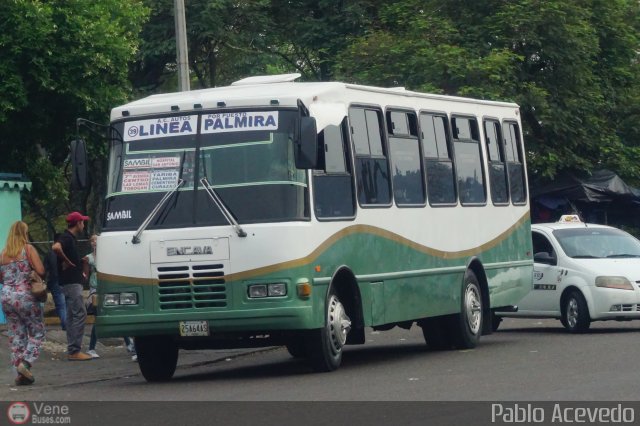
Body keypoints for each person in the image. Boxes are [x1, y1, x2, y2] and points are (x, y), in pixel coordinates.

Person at [0, 221, 46, 385]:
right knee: (37, 332)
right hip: (25, 296)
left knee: (17, 335)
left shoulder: (3, 254)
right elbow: (40, 271)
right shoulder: (28, 249)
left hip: (6, 298)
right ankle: (25, 364)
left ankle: (20, 375)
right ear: (24, 233)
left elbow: (1, 278)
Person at [84, 234, 137, 361]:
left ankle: (129, 344)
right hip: (95, 289)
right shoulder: (88, 258)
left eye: (96, 240)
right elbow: (84, 275)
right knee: (98, 318)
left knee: (117, 313)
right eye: (92, 241)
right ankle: (91, 348)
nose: (95, 242)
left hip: (108, 289)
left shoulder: (108, 256)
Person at [52, 211, 92, 361]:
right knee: (80, 313)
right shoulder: (67, 238)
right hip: (71, 283)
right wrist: (67, 261)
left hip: (70, 281)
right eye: (82, 222)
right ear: (77, 223)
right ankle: (75, 349)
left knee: (70, 315)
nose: (83, 224)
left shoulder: (70, 239)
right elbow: (56, 247)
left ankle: (72, 349)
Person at [45, 233, 67, 330]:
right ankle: (69, 325)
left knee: (61, 305)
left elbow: (44, 269)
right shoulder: (67, 252)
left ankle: (65, 325)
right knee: (68, 304)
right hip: (67, 281)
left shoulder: (50, 253)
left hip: (55, 282)